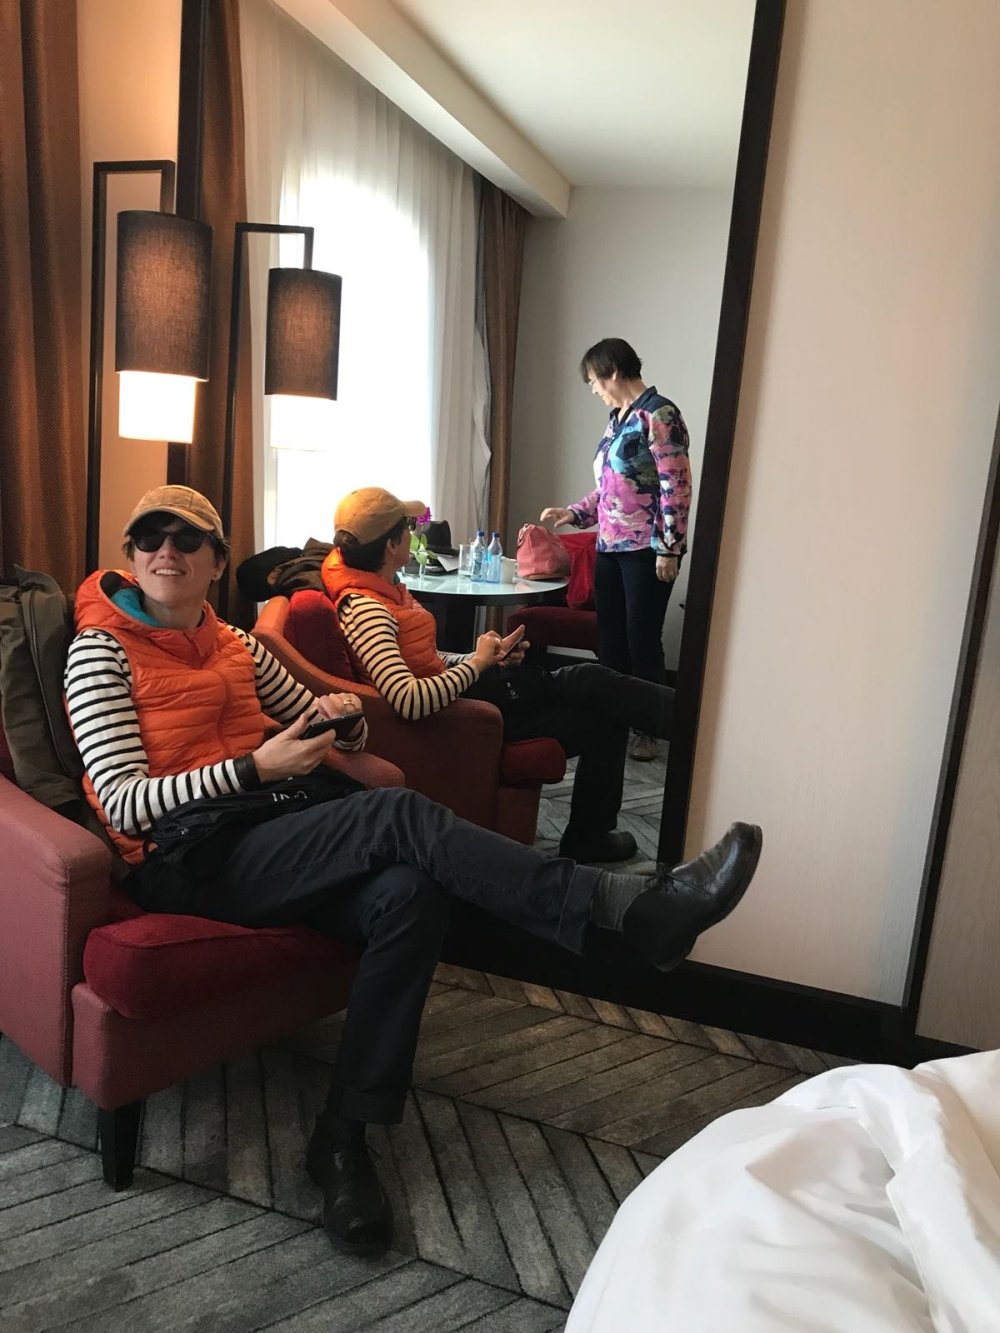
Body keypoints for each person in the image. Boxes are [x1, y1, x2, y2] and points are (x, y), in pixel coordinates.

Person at [65, 483, 762, 1259]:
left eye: (186, 538)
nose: (166, 551)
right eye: (149, 537)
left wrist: (340, 723)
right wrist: (255, 767)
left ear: (217, 560)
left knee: (409, 893)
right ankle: (622, 908)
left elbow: (331, 715)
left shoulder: (235, 642)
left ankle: (342, 1136)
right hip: (181, 853)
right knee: (396, 815)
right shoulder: (100, 651)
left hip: (264, 823)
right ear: (130, 554)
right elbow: (124, 803)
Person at [323, 487, 675, 866]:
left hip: (464, 700)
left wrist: (482, 658)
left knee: (599, 697)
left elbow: (424, 661)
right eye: (407, 528)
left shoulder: (384, 592)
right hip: (461, 719)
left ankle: (592, 836)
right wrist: (476, 666)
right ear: (392, 544)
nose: (413, 533)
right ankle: (695, 726)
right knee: (590, 682)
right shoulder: (368, 610)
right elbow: (408, 700)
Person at [541, 338, 692, 762]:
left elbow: (676, 485)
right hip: (609, 545)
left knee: (641, 639)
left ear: (612, 371)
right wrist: (575, 512)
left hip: (647, 549)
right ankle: (611, 721)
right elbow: (612, 487)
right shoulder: (617, 420)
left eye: (593, 380)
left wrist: (669, 548)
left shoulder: (659, 414)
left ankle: (649, 728)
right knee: (611, 639)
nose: (593, 389)